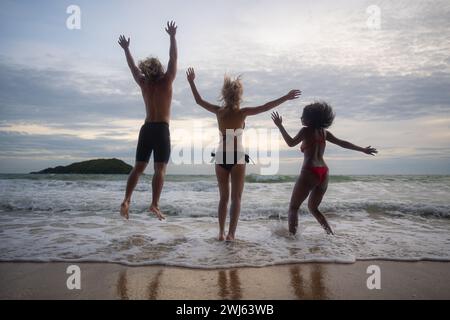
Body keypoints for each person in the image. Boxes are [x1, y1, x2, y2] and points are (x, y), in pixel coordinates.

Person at [186, 67, 301, 240]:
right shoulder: (242, 113)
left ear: (224, 95)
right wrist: (286, 97)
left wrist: (191, 82)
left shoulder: (218, 111)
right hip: (238, 156)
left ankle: (220, 233)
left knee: (223, 198)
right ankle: (231, 234)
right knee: (236, 198)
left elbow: (198, 101)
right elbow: (265, 107)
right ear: (239, 96)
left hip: (221, 155)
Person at [271, 102, 377, 235]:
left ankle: (293, 241)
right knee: (313, 208)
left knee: (293, 208)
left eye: (303, 116)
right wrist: (363, 149)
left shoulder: (305, 131)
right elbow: (343, 143)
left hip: (309, 170)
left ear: (310, 119)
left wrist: (280, 126)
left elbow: (291, 143)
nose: (301, 118)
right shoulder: (324, 133)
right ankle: (330, 235)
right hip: (324, 172)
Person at [118, 21, 178, 220]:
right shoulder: (167, 80)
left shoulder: (143, 83)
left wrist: (127, 49)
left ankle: (127, 199)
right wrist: (172, 36)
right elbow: (173, 58)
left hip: (146, 129)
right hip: (161, 129)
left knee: (138, 167)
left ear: (147, 69)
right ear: (158, 68)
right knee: (160, 169)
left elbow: (133, 68)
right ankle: (154, 204)